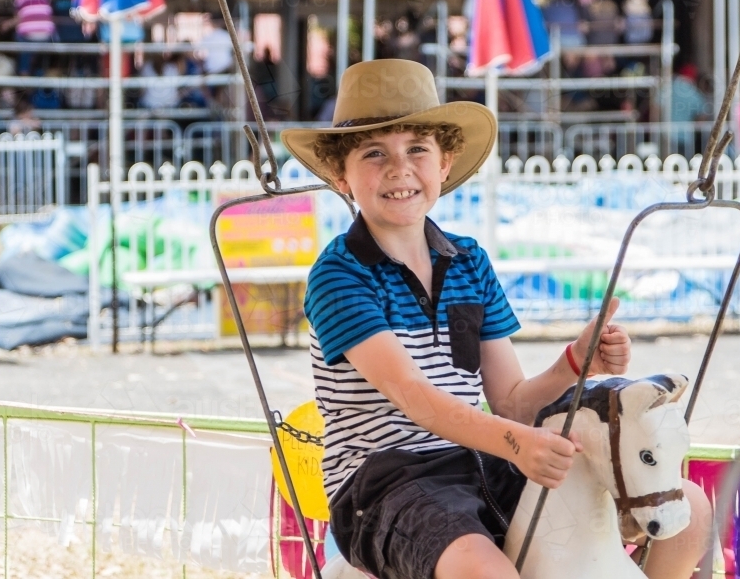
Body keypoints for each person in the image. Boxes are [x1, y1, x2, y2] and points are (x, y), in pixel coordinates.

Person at [281, 59, 712, 579]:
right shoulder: (339, 275)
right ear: (340, 174)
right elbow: (415, 398)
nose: (400, 169)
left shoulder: (469, 262)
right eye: (375, 154)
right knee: (486, 572)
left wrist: (575, 363)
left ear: (444, 163)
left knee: (690, 509)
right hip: (383, 484)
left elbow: (510, 402)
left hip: (480, 460)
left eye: (417, 149)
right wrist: (519, 443)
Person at [1, 0, 57, 75]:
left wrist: (6, 25)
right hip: (47, 35)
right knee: (38, 53)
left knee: (23, 47)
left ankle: (23, 72)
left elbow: (18, 19)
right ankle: (39, 72)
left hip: (28, 36)